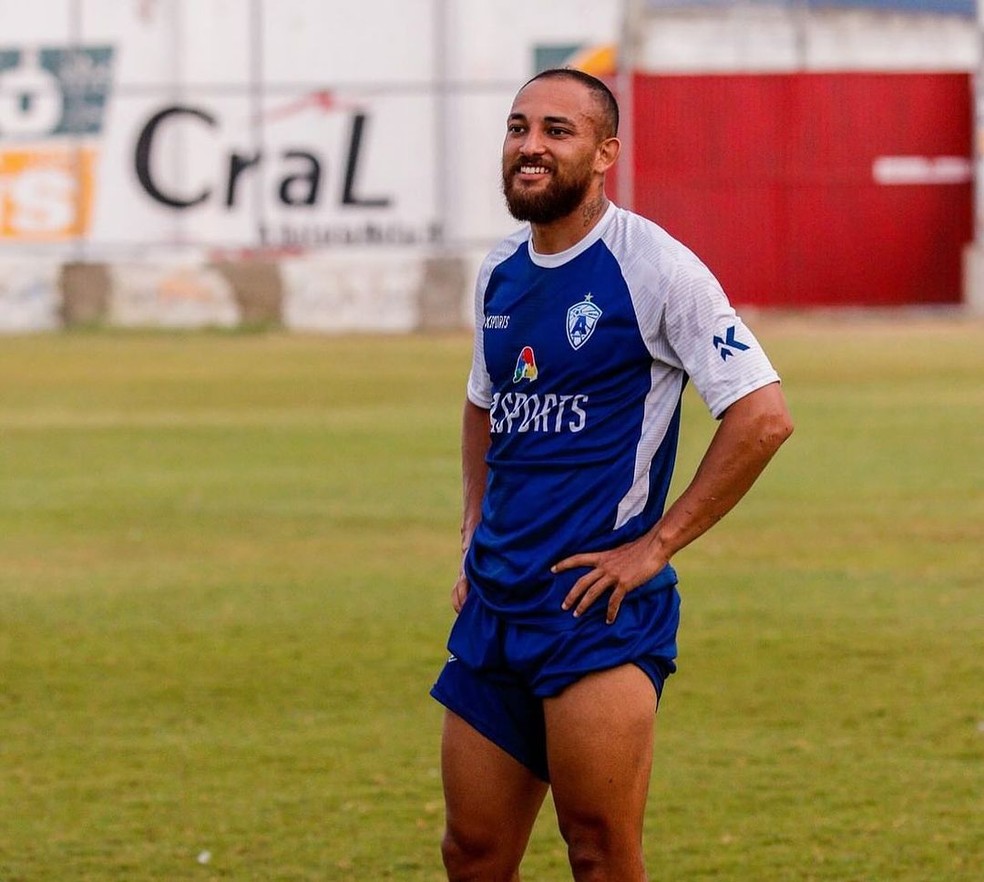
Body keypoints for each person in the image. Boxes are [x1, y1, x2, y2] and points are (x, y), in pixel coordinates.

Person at [430, 67, 794, 882]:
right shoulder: (500, 270)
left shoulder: (657, 267)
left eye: (557, 131)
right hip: (496, 602)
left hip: (596, 610)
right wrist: (471, 530)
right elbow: (483, 403)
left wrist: (654, 548)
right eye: (519, 127)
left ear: (605, 154)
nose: (530, 146)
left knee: (598, 853)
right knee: (472, 853)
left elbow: (763, 415)